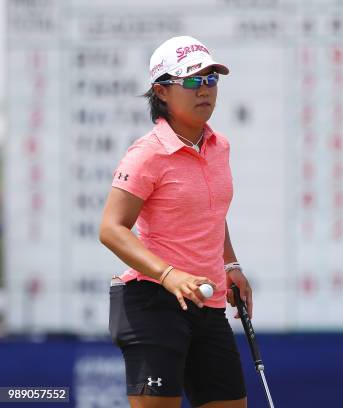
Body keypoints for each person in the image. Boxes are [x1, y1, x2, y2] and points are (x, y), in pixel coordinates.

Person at [99, 35, 252, 408]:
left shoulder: (219, 146)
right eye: (193, 81)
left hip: (208, 301)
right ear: (162, 92)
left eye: (211, 80)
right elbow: (111, 228)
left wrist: (229, 264)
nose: (206, 90)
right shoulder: (147, 154)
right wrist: (171, 275)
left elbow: (212, 214)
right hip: (152, 301)